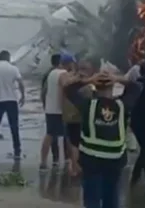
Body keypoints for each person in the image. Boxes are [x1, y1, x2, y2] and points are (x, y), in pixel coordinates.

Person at [64, 68, 136, 208]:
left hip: (91, 160)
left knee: (92, 199)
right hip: (115, 159)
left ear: (95, 87)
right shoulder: (122, 106)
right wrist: (117, 78)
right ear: (113, 86)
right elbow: (137, 87)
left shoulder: (87, 105)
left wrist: (88, 80)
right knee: (111, 197)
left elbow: (68, 89)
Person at [0, 50, 25, 159]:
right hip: (11, 100)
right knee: (14, 127)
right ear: (8, 58)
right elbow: (20, 83)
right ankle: (17, 150)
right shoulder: (13, 68)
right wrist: (23, 96)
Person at [40, 53, 76, 169]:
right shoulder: (63, 74)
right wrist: (65, 109)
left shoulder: (52, 73)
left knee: (49, 135)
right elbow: (64, 89)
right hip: (59, 111)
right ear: (69, 63)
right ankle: (73, 162)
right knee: (69, 137)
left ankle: (43, 162)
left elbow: (45, 91)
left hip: (50, 109)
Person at [64, 58, 96, 176]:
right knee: (77, 144)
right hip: (79, 117)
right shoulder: (86, 84)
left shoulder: (70, 79)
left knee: (72, 143)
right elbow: (89, 99)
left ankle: (72, 166)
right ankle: (76, 167)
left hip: (69, 116)